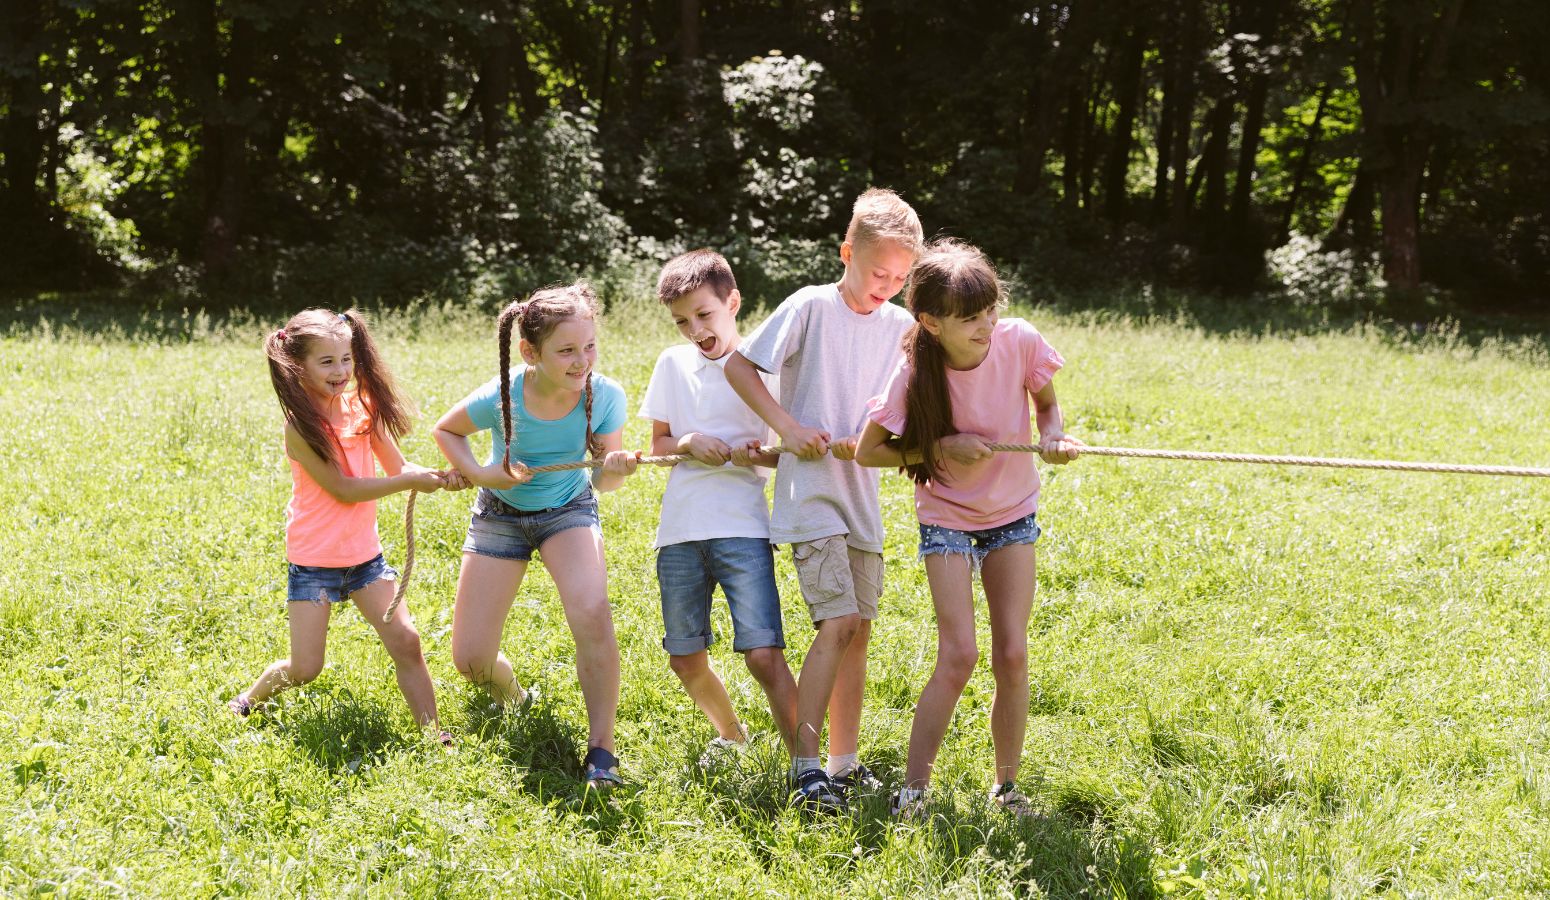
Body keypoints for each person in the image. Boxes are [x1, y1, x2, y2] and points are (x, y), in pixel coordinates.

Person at [855, 240, 1081, 818]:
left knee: (1012, 651)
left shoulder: (1019, 340)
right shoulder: (914, 371)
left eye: (990, 310)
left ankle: (1007, 789)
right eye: (969, 318)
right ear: (930, 323)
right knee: (958, 655)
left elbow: (1048, 406)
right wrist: (937, 447)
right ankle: (913, 793)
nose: (987, 325)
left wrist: (1053, 434)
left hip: (1012, 513)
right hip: (948, 517)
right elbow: (868, 452)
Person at [725, 188, 923, 809]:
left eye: (899, 276)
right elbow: (739, 367)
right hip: (811, 492)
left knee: (859, 629)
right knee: (836, 622)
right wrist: (786, 427)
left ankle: (843, 762)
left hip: (861, 492)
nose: (887, 285)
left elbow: (907, 407)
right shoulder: (810, 306)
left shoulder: (903, 328)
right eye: (877, 272)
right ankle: (805, 768)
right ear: (846, 253)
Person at [433, 282, 640, 790]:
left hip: (568, 509)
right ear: (531, 352)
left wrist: (615, 468)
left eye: (589, 346)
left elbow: (603, 482)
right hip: (500, 513)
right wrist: (485, 474)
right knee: (471, 661)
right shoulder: (506, 393)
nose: (581, 361)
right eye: (566, 351)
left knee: (592, 611)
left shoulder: (604, 394)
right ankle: (516, 697)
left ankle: (602, 750)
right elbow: (446, 431)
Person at [232, 308, 454, 744]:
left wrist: (437, 476)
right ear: (299, 366)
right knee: (305, 669)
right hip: (314, 561)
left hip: (364, 558)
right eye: (327, 361)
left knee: (407, 641)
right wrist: (407, 481)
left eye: (347, 359)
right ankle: (250, 699)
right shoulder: (300, 427)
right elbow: (344, 490)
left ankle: (434, 734)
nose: (341, 371)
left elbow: (398, 465)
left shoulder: (362, 409)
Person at [639, 250, 799, 764]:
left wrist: (759, 454)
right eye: (682, 320)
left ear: (733, 303)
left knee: (763, 654)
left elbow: (789, 453)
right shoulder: (671, 363)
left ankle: (806, 761)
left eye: (704, 315)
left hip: (743, 527)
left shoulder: (763, 367)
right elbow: (658, 447)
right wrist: (688, 441)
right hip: (680, 530)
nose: (694, 328)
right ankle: (731, 735)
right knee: (684, 657)